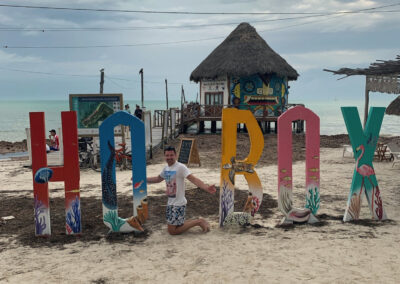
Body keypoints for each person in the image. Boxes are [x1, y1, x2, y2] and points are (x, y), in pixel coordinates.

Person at [147, 146, 216, 235]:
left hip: (178, 203)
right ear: (164, 156)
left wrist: (206, 187)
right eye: (167, 155)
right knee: (177, 226)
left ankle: (198, 222)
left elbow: (193, 179)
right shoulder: (166, 168)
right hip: (170, 202)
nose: (169, 157)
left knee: (172, 231)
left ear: (175, 155)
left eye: (171, 155)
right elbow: (158, 179)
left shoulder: (180, 167)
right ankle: (199, 221)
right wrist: (142, 179)